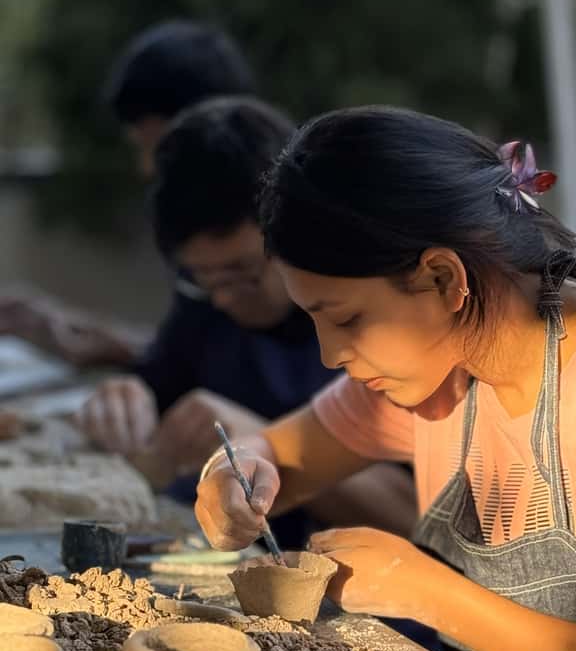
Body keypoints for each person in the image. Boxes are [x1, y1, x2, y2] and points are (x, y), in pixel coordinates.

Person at [195, 105, 576, 651]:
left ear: (444, 278)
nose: (330, 355)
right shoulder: (443, 363)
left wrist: (427, 591)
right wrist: (230, 474)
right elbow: (276, 453)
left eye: (345, 319)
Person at [79, 98, 416, 544]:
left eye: (242, 273)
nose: (223, 299)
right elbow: (158, 385)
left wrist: (265, 443)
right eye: (203, 278)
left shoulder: (371, 322)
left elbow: (417, 516)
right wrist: (130, 395)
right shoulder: (202, 300)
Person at [0, 20, 256, 367]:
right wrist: (75, 330)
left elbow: (251, 375)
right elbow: (191, 351)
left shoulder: (277, 229)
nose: (148, 169)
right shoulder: (190, 229)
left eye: (154, 146)